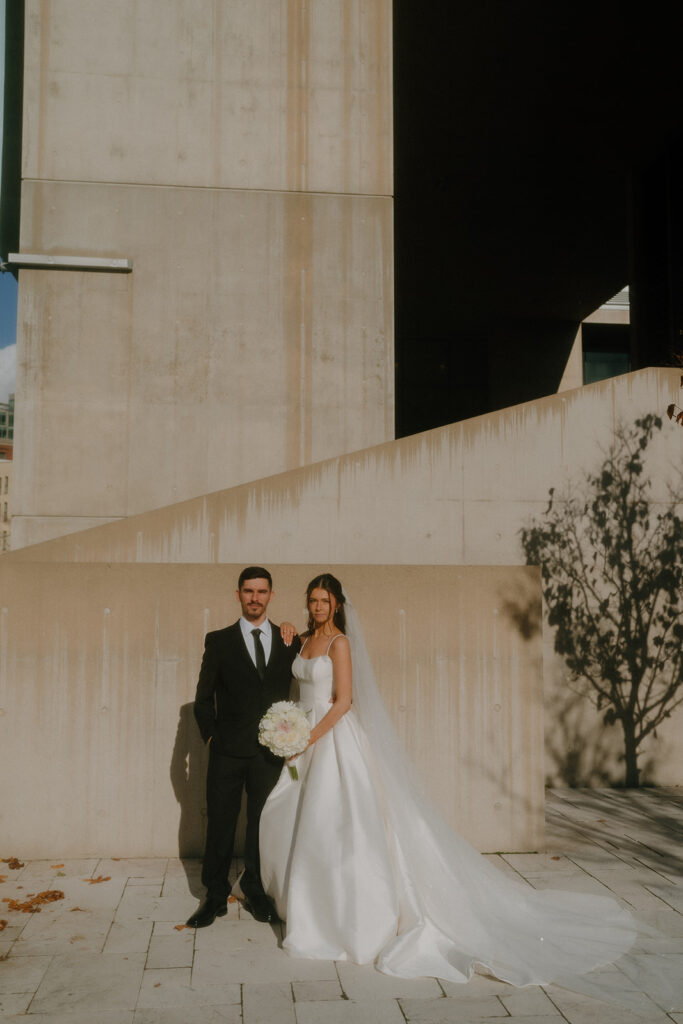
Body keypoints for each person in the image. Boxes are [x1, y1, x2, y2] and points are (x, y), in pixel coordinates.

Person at [259, 573, 637, 986]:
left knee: (336, 823)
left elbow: (345, 701)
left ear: (336, 605)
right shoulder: (301, 640)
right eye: (312, 600)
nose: (317, 607)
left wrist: (308, 737)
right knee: (301, 820)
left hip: (330, 739)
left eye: (324, 601)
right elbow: (296, 676)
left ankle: (344, 915)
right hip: (302, 736)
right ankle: (309, 904)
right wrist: (291, 728)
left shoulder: (339, 643)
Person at [186, 566, 300, 928]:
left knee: (261, 824)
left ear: (271, 595)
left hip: (269, 752)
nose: (255, 598)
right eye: (248, 591)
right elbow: (203, 699)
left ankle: (255, 888)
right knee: (220, 823)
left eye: (261, 592)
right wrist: (211, 737)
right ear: (238, 595)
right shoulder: (218, 641)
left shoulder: (288, 640)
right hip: (227, 753)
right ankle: (214, 896)